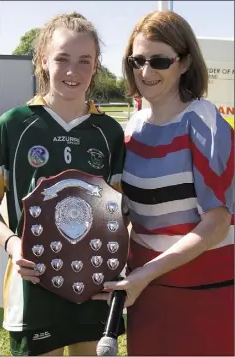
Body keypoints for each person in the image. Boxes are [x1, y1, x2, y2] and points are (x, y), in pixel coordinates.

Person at [93, 10, 234, 356]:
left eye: (159, 61)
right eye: (137, 60)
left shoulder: (205, 124)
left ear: (184, 63)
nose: (146, 71)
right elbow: (122, 212)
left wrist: (146, 274)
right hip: (145, 294)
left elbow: (217, 223)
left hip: (204, 293)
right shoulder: (131, 127)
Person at [0, 12, 126, 356]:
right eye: (62, 59)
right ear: (43, 60)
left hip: (94, 285)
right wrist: (12, 244)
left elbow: (120, 214)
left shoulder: (109, 132)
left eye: (84, 60)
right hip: (33, 287)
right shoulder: (14, 125)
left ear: (96, 65)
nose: (73, 71)